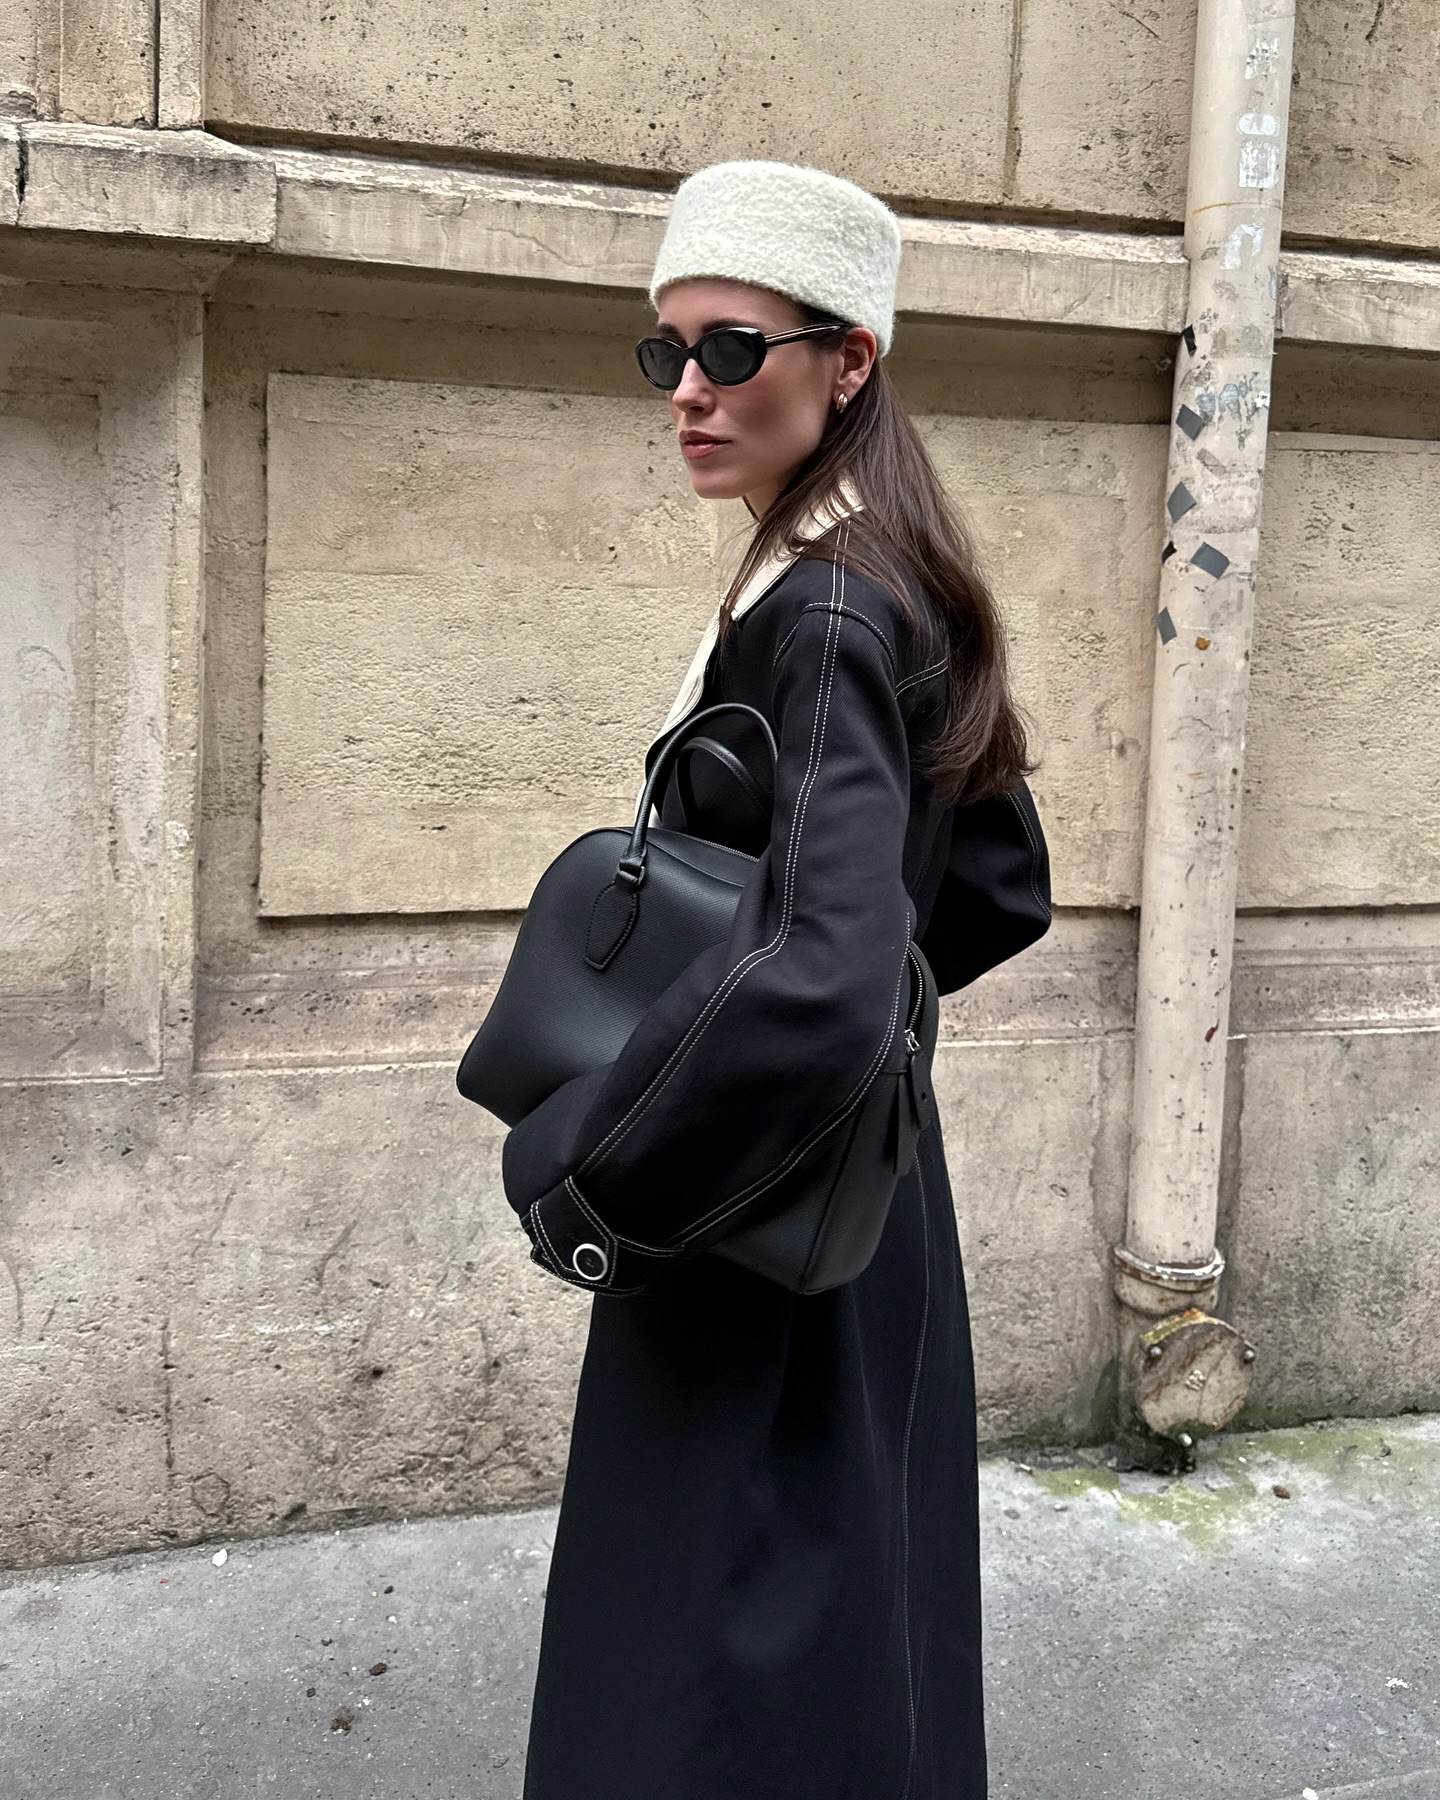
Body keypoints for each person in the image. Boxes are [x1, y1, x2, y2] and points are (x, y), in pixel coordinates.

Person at [500, 161, 1051, 1800]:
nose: (687, 390)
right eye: (665, 351)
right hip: (842, 1193)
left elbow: (818, 973)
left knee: (709, 1649)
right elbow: (996, 887)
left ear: (847, 360)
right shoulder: (892, 567)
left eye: (730, 349)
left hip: (749, 1206)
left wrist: (594, 1169)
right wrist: (858, 1058)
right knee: (839, 1612)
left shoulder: (819, 607)